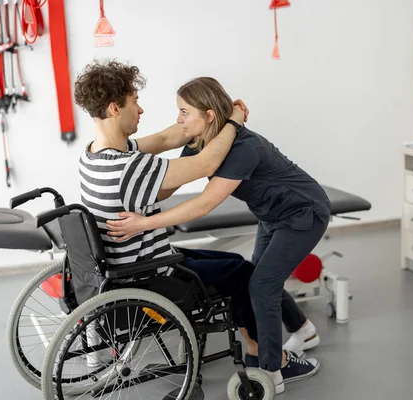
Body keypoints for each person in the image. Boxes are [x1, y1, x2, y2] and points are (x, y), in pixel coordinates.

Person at [106, 76, 331, 393]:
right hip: (271, 214)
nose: (179, 119)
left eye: (184, 112)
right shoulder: (200, 143)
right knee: (259, 276)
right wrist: (126, 173)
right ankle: (303, 330)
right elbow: (169, 181)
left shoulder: (243, 149)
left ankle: (273, 369)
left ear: (209, 115)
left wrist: (142, 224)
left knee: (262, 285)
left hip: (303, 214)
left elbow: (205, 203)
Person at [73, 59, 264, 366]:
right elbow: (207, 165)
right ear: (114, 109)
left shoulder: (92, 155)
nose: (141, 110)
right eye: (135, 102)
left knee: (232, 261)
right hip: (149, 276)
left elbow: (164, 140)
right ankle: (262, 354)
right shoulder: (129, 167)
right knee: (242, 272)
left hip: (128, 266)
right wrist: (233, 122)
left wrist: (199, 120)